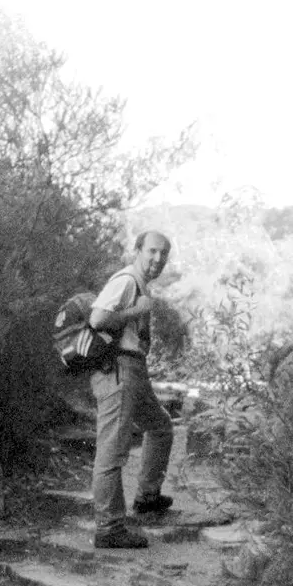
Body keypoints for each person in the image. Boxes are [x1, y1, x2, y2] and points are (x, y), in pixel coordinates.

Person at [88, 230, 176, 550]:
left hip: (132, 369)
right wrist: (136, 311)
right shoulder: (126, 280)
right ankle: (109, 527)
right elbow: (98, 319)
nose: (157, 259)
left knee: (160, 426)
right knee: (112, 449)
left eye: (163, 254)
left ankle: (147, 497)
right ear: (137, 251)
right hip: (120, 371)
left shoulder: (139, 284)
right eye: (152, 251)